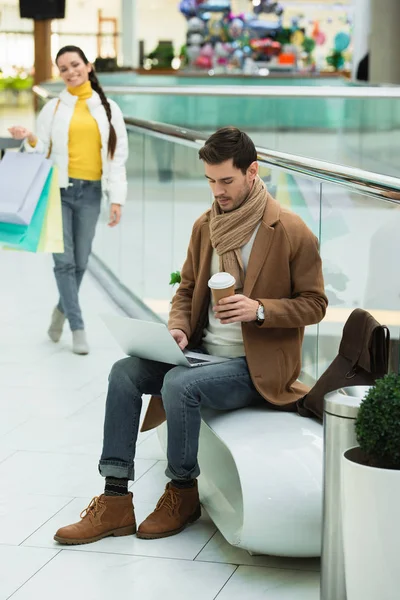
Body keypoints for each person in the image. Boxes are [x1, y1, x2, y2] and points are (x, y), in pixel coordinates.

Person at [53, 127, 327, 545]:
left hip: (255, 368)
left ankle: (182, 493)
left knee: (179, 384)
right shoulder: (207, 226)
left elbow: (315, 304)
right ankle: (114, 501)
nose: (217, 190)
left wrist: (259, 310)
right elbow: (186, 287)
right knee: (124, 373)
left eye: (226, 181)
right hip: (201, 354)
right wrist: (179, 327)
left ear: (253, 172)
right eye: (210, 181)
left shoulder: (289, 230)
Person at [9, 46, 128, 355]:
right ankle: (77, 326)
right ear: (59, 74)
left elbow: (117, 159)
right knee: (64, 263)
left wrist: (117, 199)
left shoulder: (110, 109)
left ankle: (60, 311)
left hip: (90, 193)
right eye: (63, 68)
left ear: (88, 66)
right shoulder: (53, 109)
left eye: (75, 64)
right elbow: (42, 150)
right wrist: (30, 138)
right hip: (58, 191)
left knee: (81, 262)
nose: (70, 71)